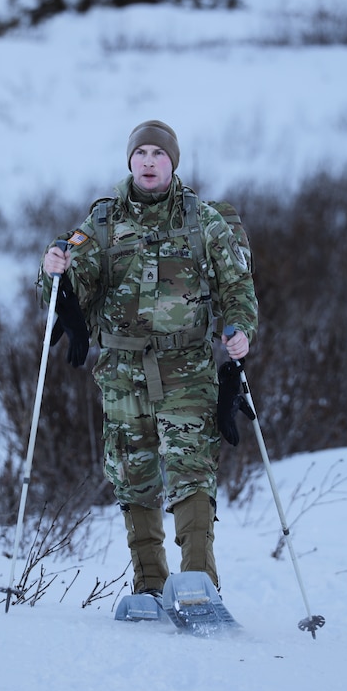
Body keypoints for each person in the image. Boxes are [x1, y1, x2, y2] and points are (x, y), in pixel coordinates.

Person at [39, 119, 258, 594]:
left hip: (188, 369)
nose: (149, 162)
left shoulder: (204, 220)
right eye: (141, 154)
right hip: (121, 373)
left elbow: (237, 287)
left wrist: (239, 331)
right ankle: (150, 585)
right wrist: (55, 269)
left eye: (159, 154)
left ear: (172, 161)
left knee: (191, 469)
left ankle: (199, 581)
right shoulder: (101, 222)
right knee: (132, 475)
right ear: (130, 161)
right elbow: (71, 288)